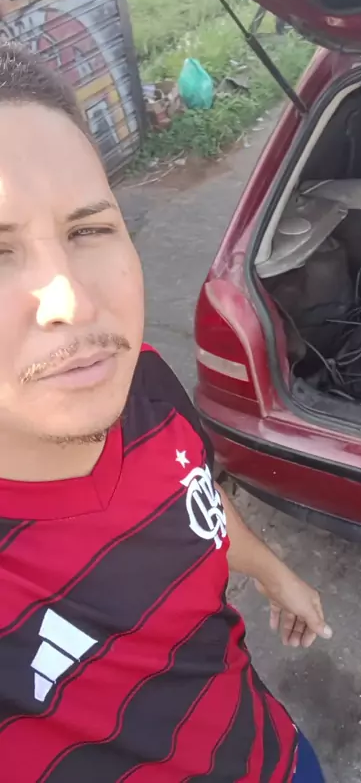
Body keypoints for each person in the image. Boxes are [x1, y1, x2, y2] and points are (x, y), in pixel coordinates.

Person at [0, 42, 330, 782]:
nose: (72, 300)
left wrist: (272, 571)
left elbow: (195, 494)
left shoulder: (140, 380)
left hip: (276, 753)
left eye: (88, 230)